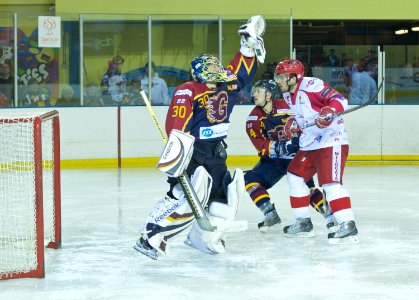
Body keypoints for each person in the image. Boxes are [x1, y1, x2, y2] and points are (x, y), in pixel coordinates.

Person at [134, 15, 266, 260]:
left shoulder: (227, 86)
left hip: (216, 152)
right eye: (214, 67)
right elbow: (176, 123)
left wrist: (247, 47)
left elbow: (241, 72)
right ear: (201, 71)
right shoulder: (188, 89)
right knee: (185, 197)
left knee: (222, 197)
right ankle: (150, 237)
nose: (220, 69)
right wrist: (177, 154)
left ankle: (202, 239)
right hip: (194, 152)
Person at [274, 59, 359, 244]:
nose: (277, 80)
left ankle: (347, 224)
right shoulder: (288, 95)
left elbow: (340, 100)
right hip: (309, 144)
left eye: (281, 76)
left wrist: (329, 111)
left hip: (331, 140)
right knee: (295, 176)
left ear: (294, 77)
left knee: (330, 184)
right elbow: (304, 118)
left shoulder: (312, 85)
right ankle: (303, 222)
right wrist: (293, 123)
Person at [244, 79, 333, 232]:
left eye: (258, 91)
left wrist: (300, 140)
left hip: (296, 157)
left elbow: (307, 123)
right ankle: (270, 214)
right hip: (275, 160)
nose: (254, 94)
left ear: (269, 95)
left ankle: (330, 216)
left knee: (306, 188)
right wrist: (281, 147)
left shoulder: (288, 106)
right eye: (254, 91)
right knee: (250, 180)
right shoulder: (253, 119)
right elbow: (261, 145)